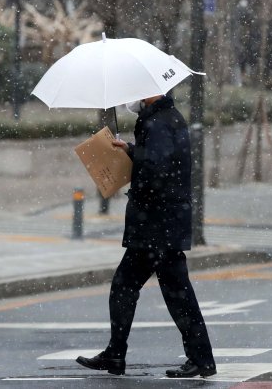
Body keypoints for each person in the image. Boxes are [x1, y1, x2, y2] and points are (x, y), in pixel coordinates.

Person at [75, 94, 216, 378]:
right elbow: (159, 159)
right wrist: (130, 149)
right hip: (163, 223)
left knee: (132, 286)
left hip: (156, 225)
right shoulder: (167, 118)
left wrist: (131, 159)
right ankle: (199, 358)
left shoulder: (157, 123)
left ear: (151, 94)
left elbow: (157, 170)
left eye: (138, 93)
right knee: (171, 291)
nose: (133, 98)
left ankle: (119, 354)